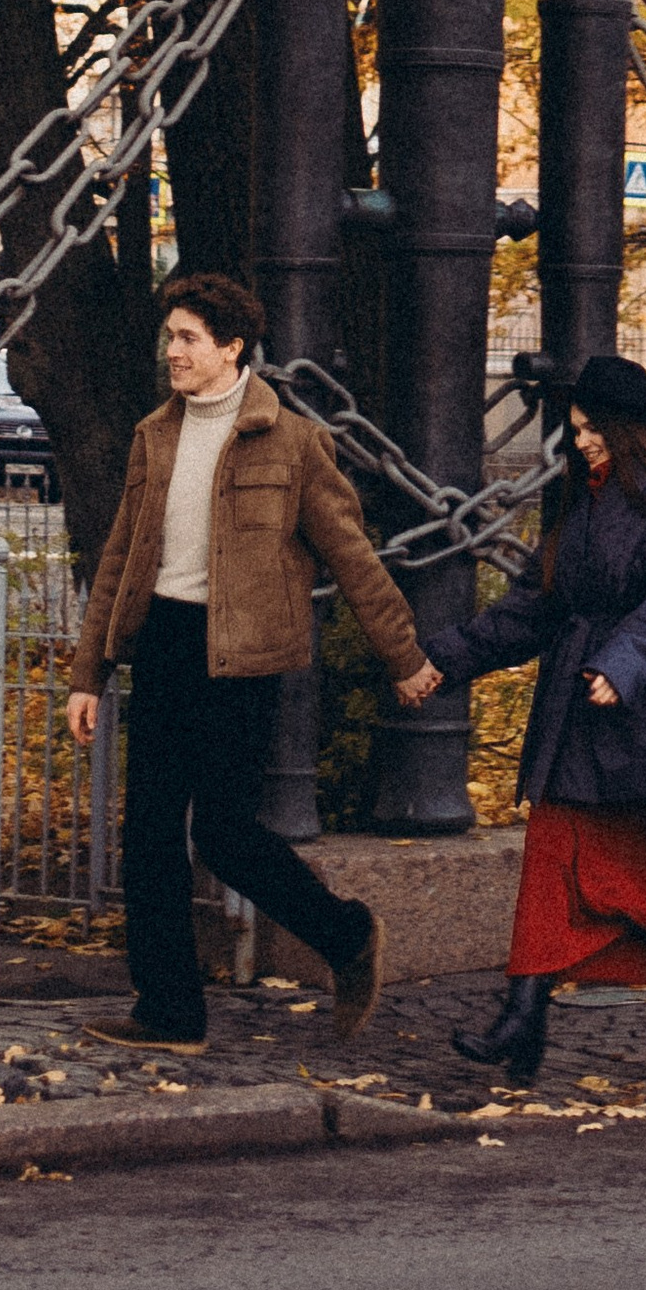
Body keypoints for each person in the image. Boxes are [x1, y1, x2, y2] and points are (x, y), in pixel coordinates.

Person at [67, 274, 443, 1052]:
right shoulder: (154, 436)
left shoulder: (296, 442)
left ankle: (344, 936)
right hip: (166, 645)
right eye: (169, 336)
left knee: (228, 837)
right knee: (149, 837)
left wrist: (402, 656)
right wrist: (88, 675)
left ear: (231, 348)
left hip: (243, 659)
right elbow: (119, 560)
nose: (172, 351)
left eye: (188, 338)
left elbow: (351, 553)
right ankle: (169, 1013)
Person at [423, 353, 646, 1087]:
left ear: (630, 431)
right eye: (575, 428)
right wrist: (445, 659)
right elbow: (534, 607)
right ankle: (523, 1015)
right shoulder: (578, 505)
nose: (582, 441)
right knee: (551, 866)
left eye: (594, 428)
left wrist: (621, 666)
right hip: (579, 718)